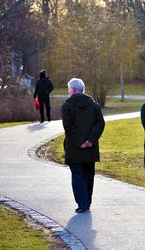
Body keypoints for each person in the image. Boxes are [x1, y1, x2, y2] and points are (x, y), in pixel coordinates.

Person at [62, 78, 105, 213]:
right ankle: (87, 201)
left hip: (74, 147)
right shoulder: (94, 105)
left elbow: (68, 127)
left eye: (69, 89)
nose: (68, 92)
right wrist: (90, 140)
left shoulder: (67, 106)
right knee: (88, 174)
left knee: (77, 175)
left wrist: (80, 142)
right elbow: (100, 124)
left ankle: (82, 203)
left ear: (74, 90)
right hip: (91, 148)